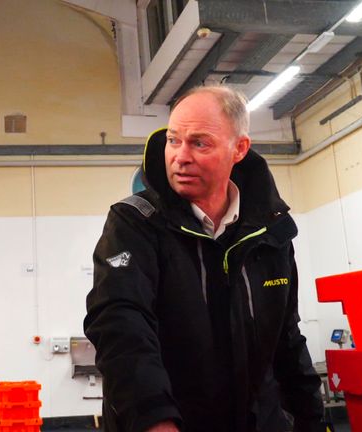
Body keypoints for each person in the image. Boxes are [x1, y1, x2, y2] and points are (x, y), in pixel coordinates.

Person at [84, 86, 324, 432]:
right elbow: (120, 324)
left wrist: (312, 421)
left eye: (199, 143)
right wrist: (154, 419)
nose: (180, 156)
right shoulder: (135, 222)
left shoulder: (272, 231)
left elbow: (287, 340)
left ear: (239, 148)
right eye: (173, 140)